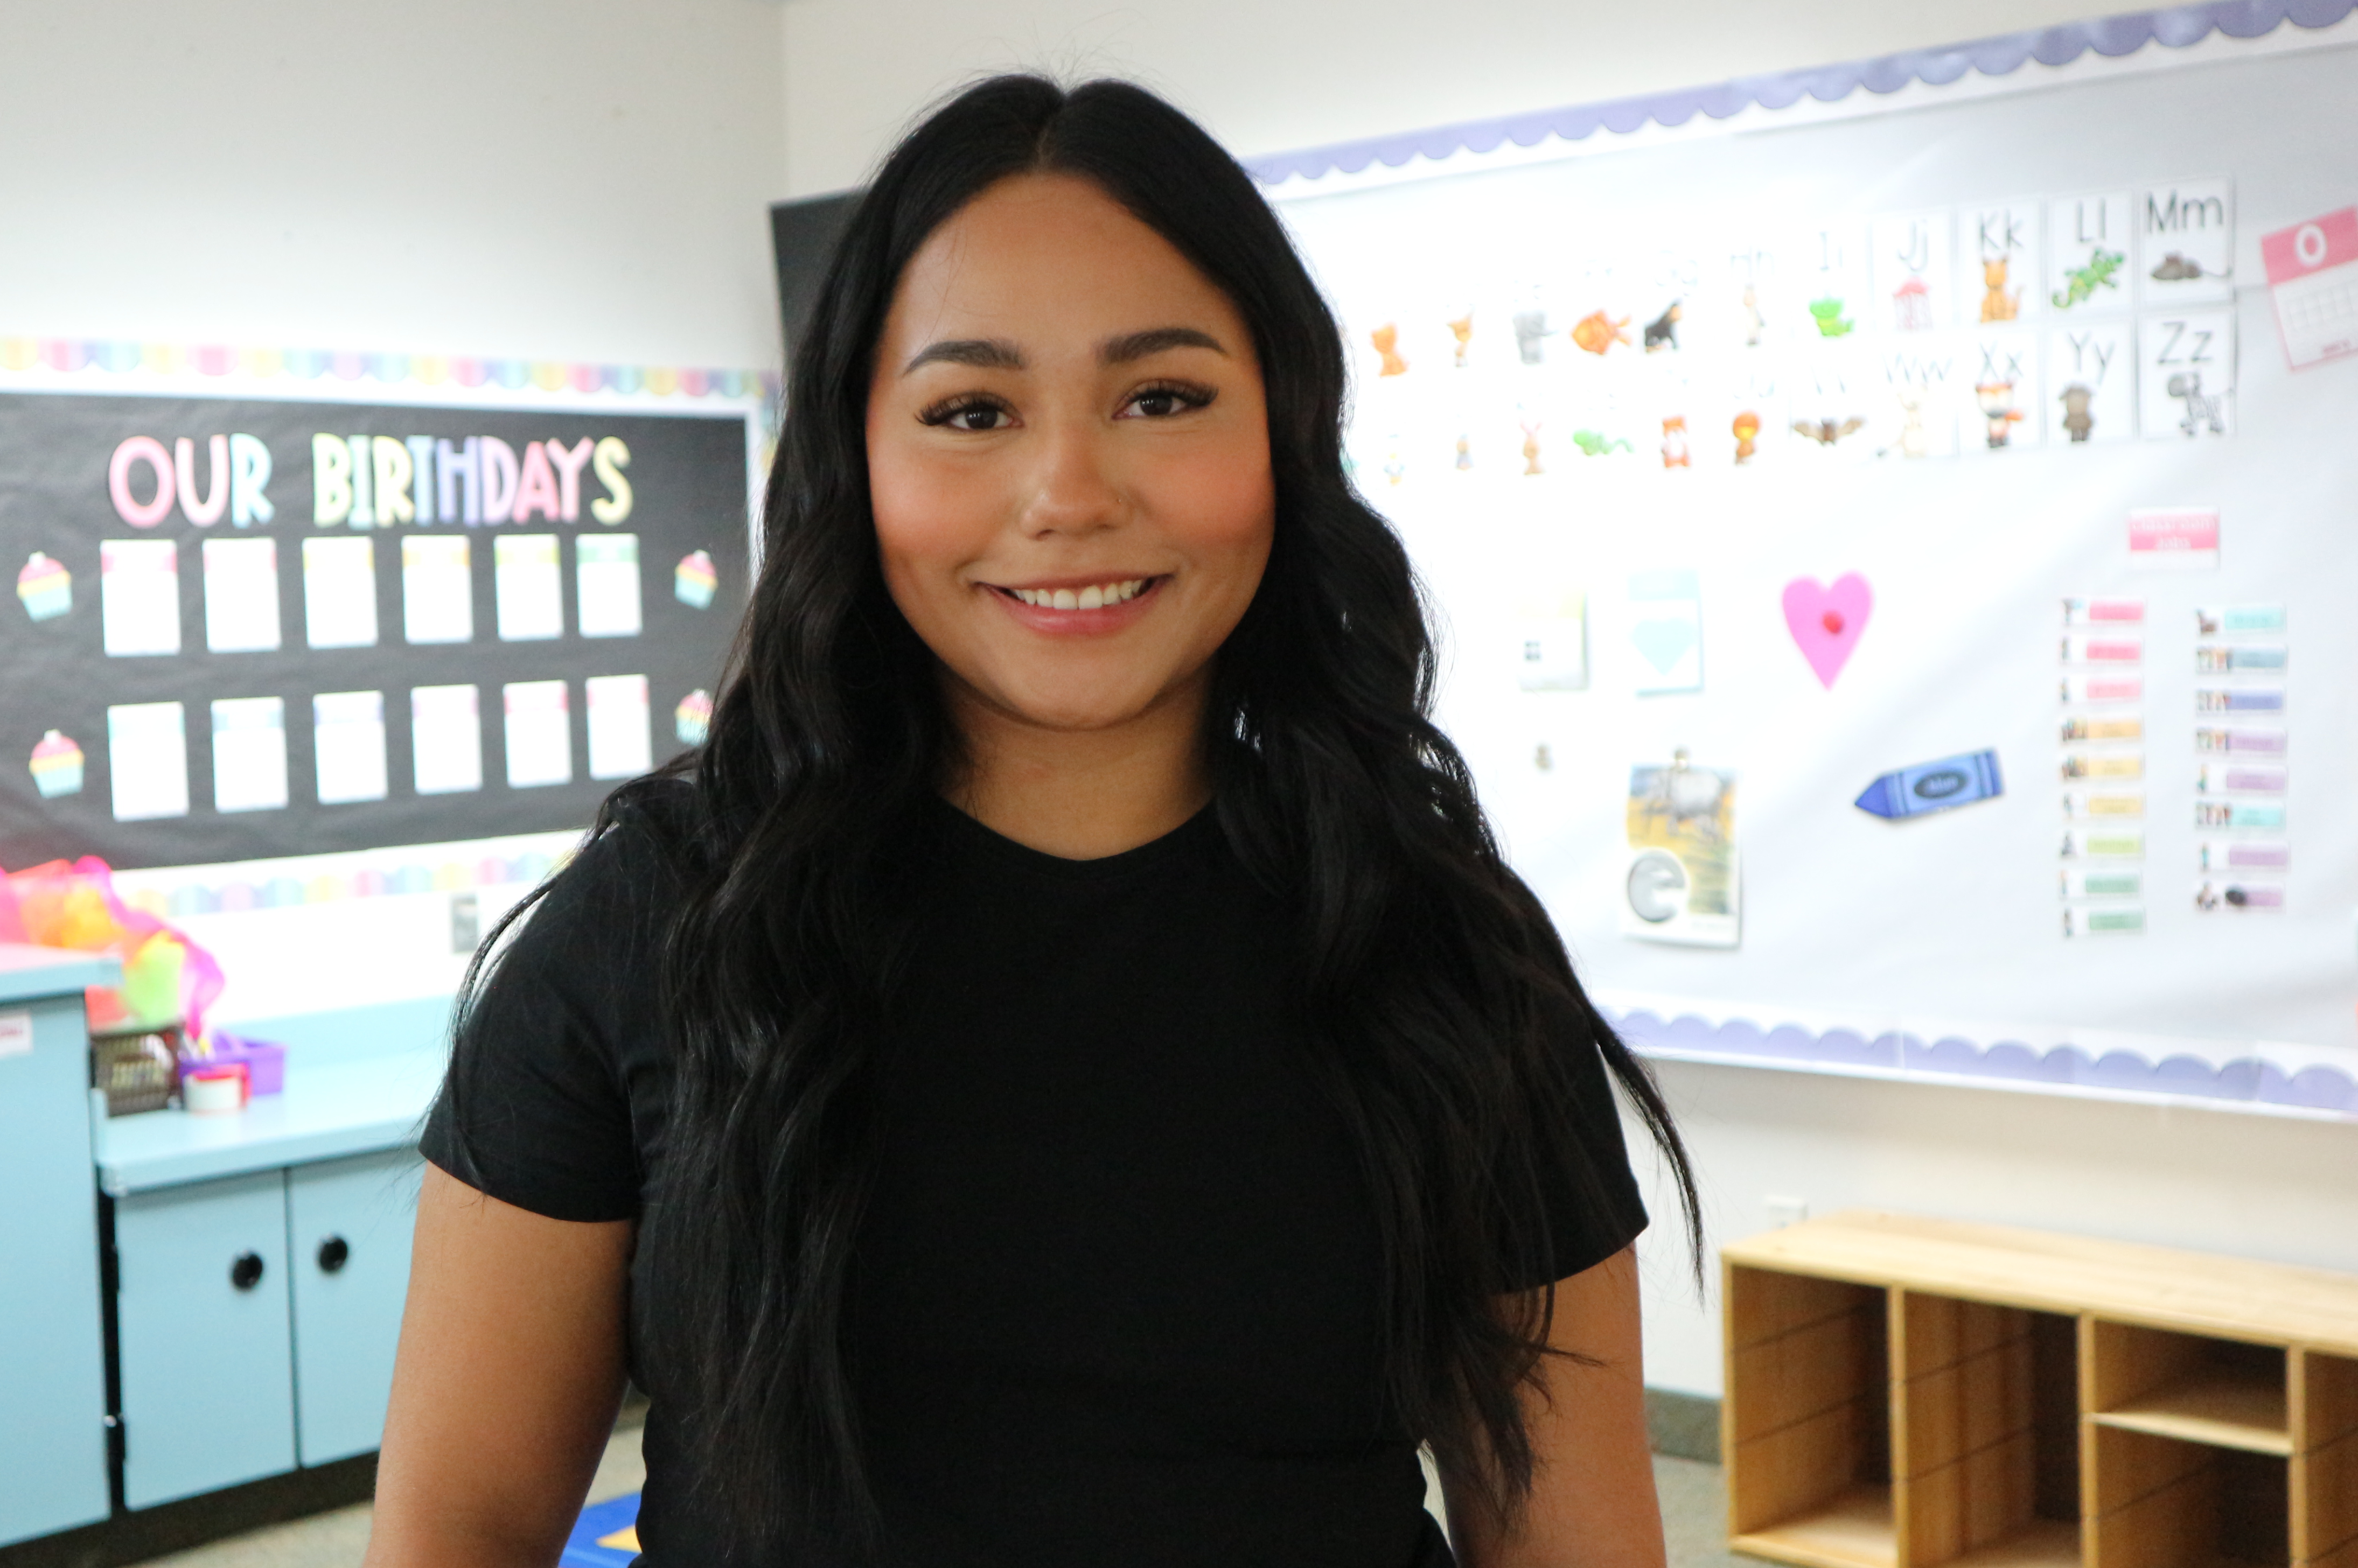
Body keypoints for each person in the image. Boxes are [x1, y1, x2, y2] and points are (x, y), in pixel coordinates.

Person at [367, 74, 1697, 1568]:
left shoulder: (1438, 949)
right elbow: (457, 1529)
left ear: (1286, 433)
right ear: (857, 460)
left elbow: (1578, 1544)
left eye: (1162, 397)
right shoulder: (660, 921)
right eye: (971, 412)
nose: (1067, 495)